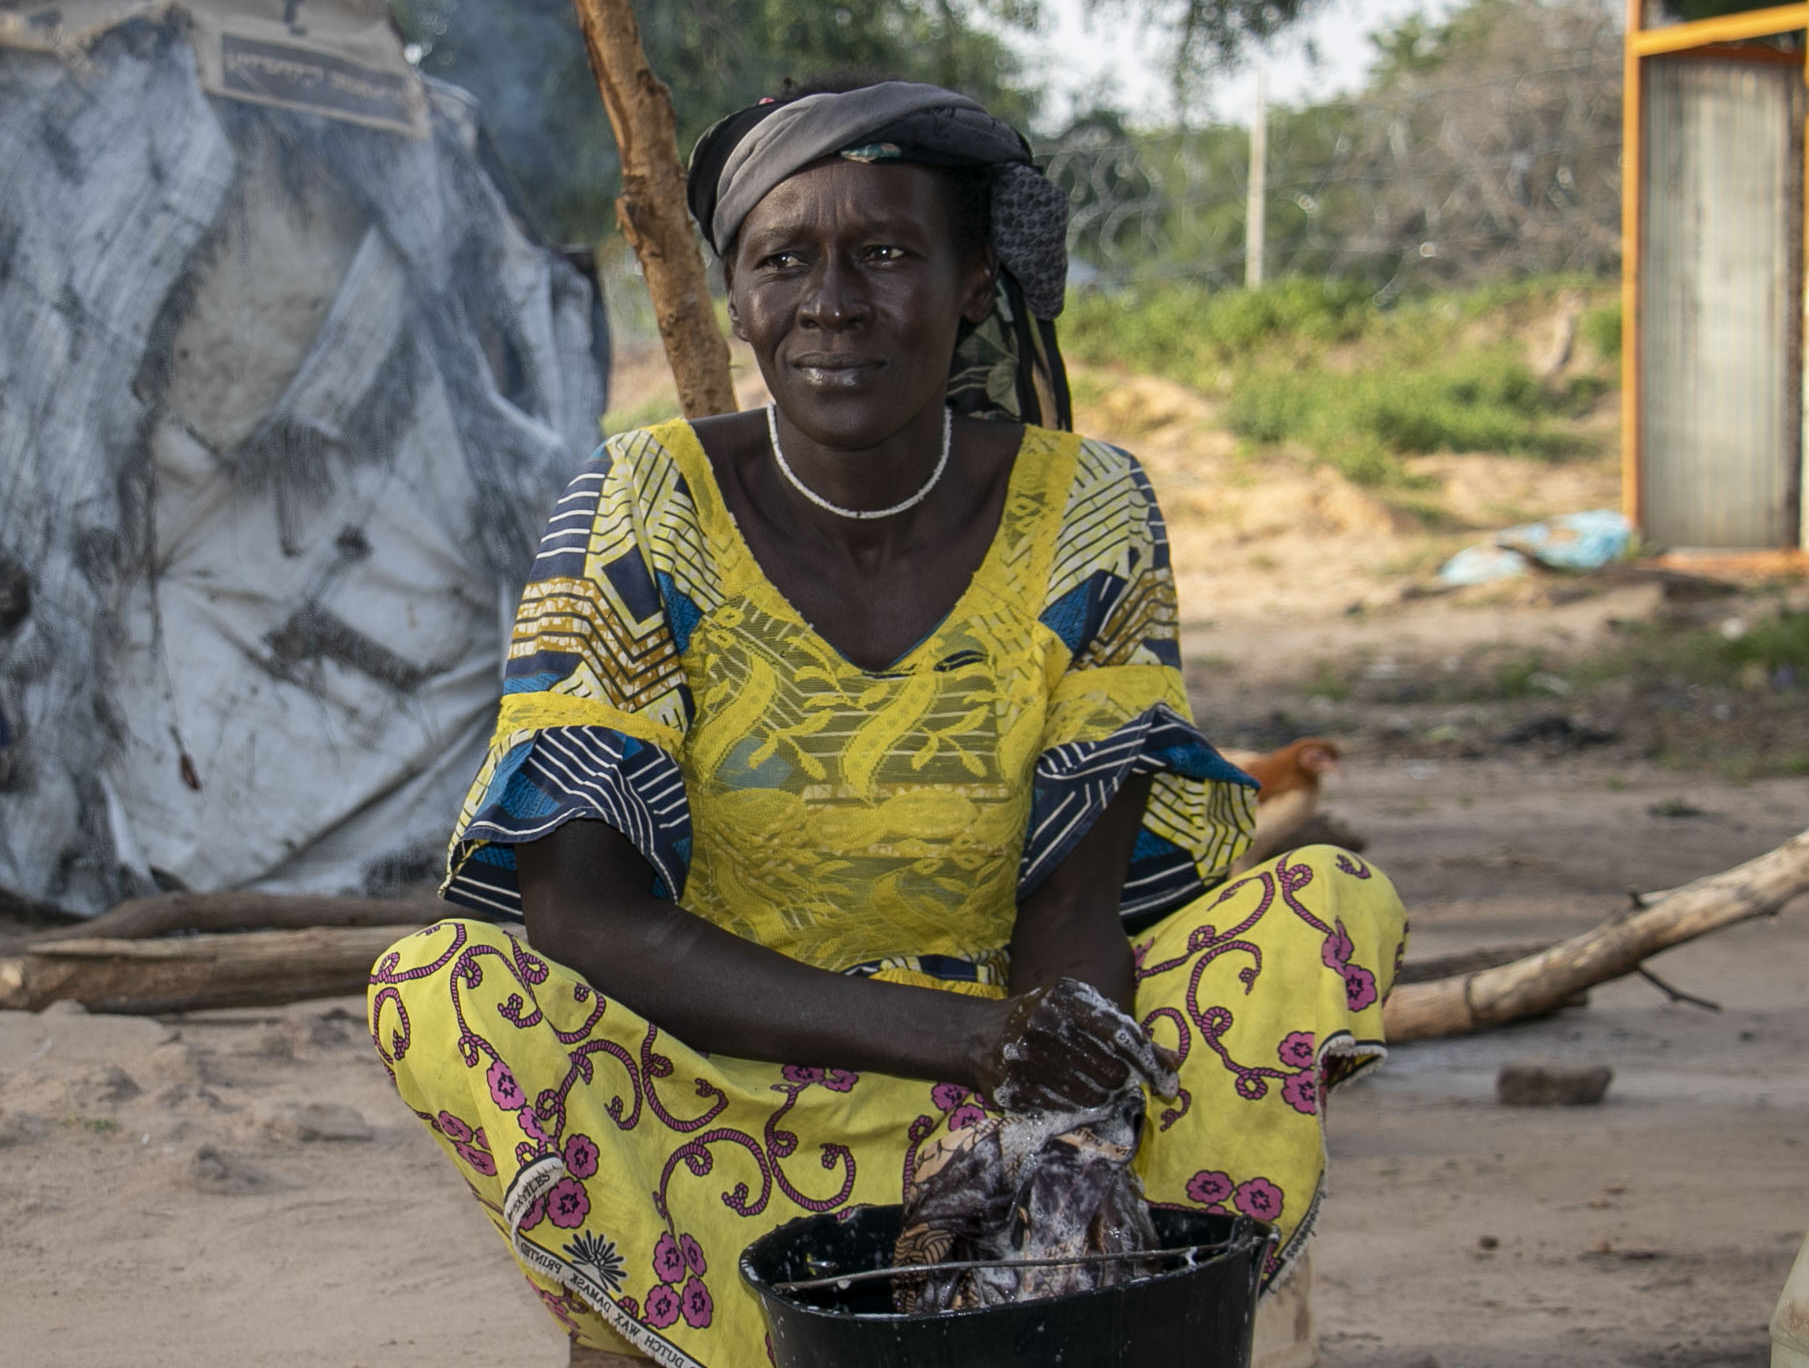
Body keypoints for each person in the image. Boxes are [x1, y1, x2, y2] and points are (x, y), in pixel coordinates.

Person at [370, 81, 1408, 1368]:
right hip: (722, 1082)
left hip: (1014, 1062)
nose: (833, 303)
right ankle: (730, 1323)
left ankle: (1085, 1284)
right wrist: (973, 1045)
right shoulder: (643, 503)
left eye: (888, 253)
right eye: (783, 259)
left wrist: (1048, 1119)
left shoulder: (1087, 507)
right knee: (443, 989)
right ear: (738, 296)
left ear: (975, 280)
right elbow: (581, 914)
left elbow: (1079, 896)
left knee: (1318, 907)